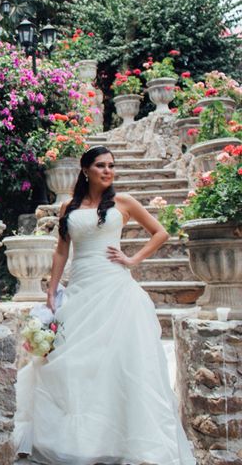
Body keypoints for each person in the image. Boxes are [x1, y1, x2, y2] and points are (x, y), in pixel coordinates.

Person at [14, 145, 196, 464]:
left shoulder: (123, 203)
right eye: (101, 165)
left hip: (116, 289)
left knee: (121, 363)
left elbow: (161, 232)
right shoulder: (68, 208)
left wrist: (132, 259)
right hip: (81, 289)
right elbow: (60, 251)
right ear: (86, 169)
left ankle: (126, 442)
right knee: (75, 362)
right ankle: (82, 441)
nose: (108, 171)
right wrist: (52, 289)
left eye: (111, 165)